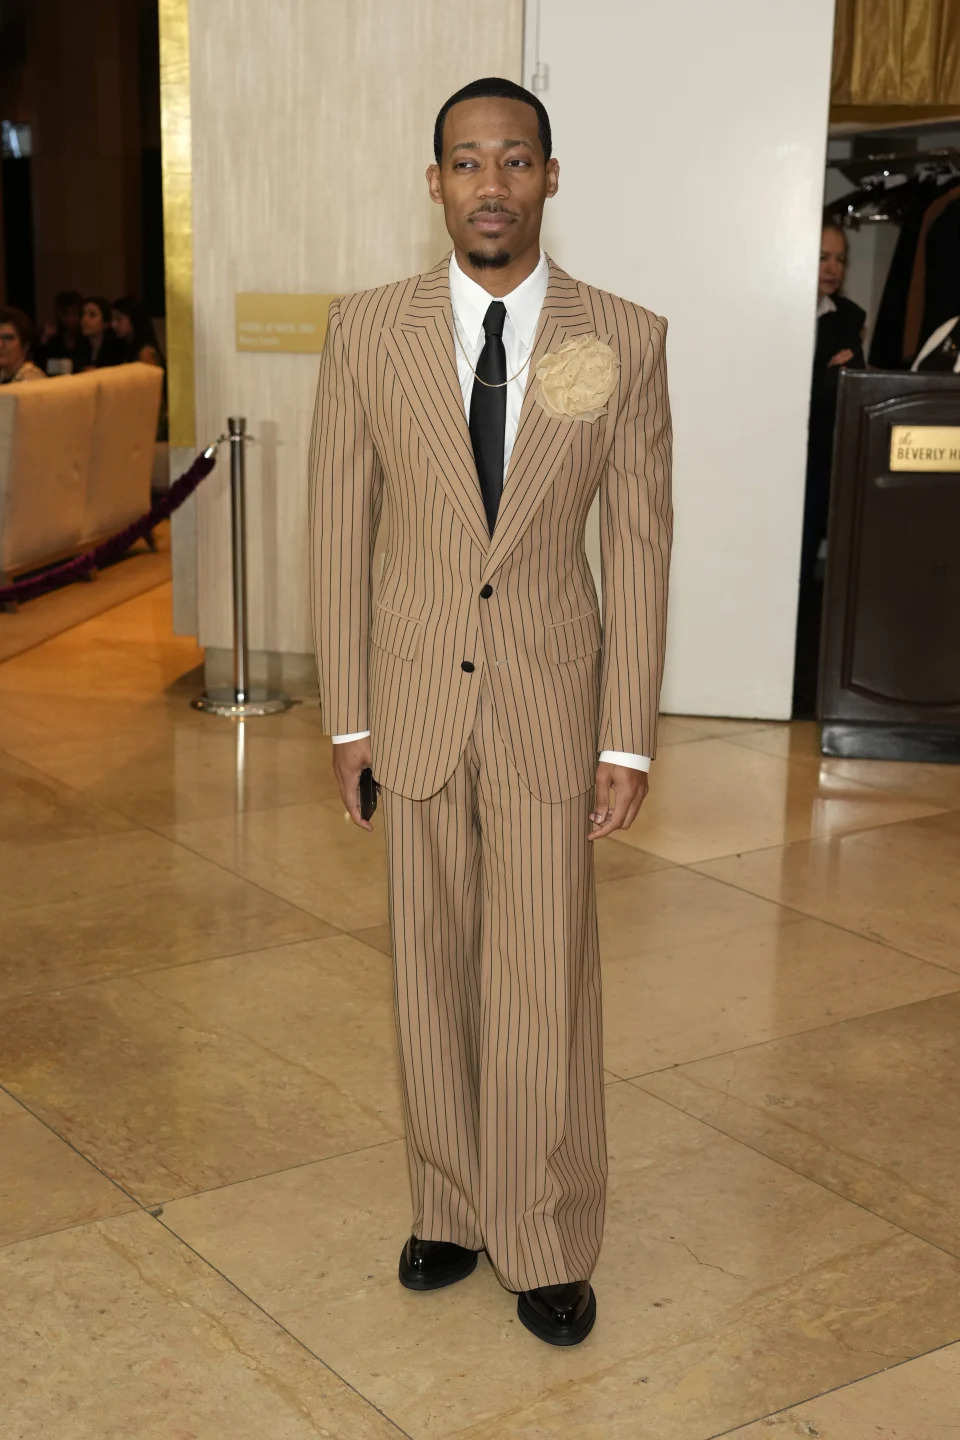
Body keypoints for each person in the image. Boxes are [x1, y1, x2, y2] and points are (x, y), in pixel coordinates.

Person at [310, 77, 672, 1347]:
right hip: (408, 702)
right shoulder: (365, 333)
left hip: (550, 708)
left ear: (551, 179)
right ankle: (451, 1208)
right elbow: (337, 530)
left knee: (541, 981)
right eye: (466, 161)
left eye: (515, 159)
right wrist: (344, 714)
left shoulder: (621, 335)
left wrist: (625, 732)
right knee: (427, 970)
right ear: (435, 184)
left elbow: (637, 543)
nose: (491, 183)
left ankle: (549, 1235)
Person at [794, 222, 865, 715]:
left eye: (839, 259)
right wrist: (827, 376)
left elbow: (852, 386)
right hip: (780, 451)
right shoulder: (786, 311)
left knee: (812, 563)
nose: (832, 268)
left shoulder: (851, 315)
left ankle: (801, 674)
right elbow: (802, 392)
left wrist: (830, 377)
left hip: (825, 453)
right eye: (823, 257)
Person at [33, 289, 83, 374]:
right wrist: (45, 338)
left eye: (75, 313)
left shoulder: (86, 335)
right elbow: (39, 365)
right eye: (65, 314)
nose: (70, 319)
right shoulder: (53, 334)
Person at [111, 296, 164, 367]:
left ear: (135, 319)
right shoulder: (123, 345)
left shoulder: (146, 352)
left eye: (119, 319)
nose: (113, 324)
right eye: (112, 319)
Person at [0, 308, 47, 384]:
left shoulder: (33, 379)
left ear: (25, 346)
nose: (0, 345)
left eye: (8, 338)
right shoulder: (3, 375)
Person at [75, 297, 123, 370]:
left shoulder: (116, 349)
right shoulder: (80, 346)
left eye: (92, 315)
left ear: (106, 322)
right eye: (82, 315)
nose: (84, 320)